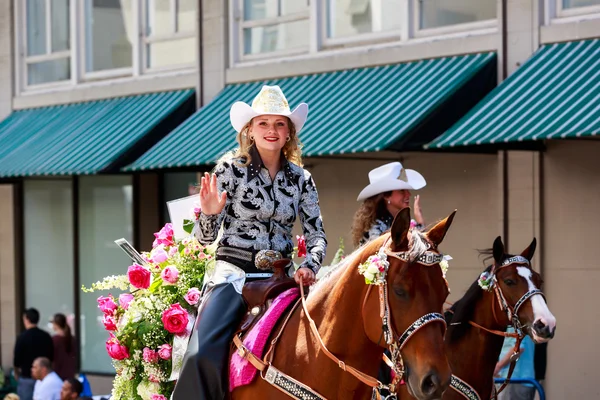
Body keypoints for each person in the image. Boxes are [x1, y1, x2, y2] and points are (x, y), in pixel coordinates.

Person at [172, 85, 327, 400]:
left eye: (279, 124)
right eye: (263, 123)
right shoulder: (229, 171)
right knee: (201, 354)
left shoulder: (302, 179)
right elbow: (203, 238)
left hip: (283, 279)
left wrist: (310, 266)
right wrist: (210, 213)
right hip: (234, 277)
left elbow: (316, 235)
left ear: (289, 134)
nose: (272, 130)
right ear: (250, 130)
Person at [351, 161, 427, 247]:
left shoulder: (400, 221)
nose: (408, 194)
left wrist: (419, 219)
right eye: (402, 191)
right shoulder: (375, 228)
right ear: (387, 196)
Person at [13, 309, 54, 400]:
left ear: (26, 319)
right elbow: (51, 357)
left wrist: (16, 372)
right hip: (44, 376)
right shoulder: (46, 336)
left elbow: (17, 358)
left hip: (26, 376)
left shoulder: (22, 337)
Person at [494, 327, 536, 400]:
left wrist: (498, 366)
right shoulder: (524, 324)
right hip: (518, 379)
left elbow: (519, 348)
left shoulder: (517, 324)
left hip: (515, 379)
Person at [49, 314, 76, 381]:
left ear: (56, 324)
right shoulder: (72, 339)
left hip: (58, 374)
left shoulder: (54, 340)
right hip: (70, 374)